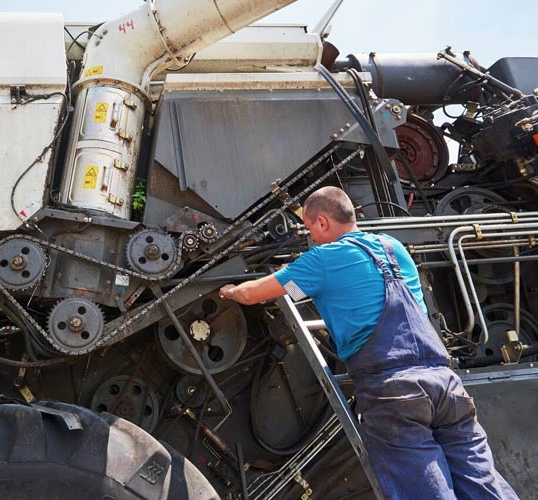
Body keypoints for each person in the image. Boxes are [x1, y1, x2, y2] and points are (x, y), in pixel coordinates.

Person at [219, 186, 517, 500]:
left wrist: (228, 290)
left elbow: (251, 294)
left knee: (425, 491)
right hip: (445, 385)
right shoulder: (392, 247)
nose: (312, 238)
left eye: (309, 229)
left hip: (395, 393)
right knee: (483, 483)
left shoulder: (323, 259)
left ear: (322, 222)